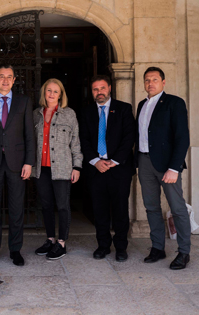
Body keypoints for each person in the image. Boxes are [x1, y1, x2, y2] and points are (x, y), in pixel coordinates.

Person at [136, 67, 191, 270]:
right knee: (151, 207)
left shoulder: (174, 103)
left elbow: (182, 137)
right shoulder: (142, 105)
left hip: (167, 166)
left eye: (155, 79)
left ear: (163, 82)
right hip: (144, 163)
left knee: (177, 208)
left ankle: (184, 252)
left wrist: (174, 168)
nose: (151, 83)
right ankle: (158, 248)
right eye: (147, 80)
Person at [0, 65, 35, 267]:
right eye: (1, 77)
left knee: (16, 208)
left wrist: (29, 162)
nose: (5, 80)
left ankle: (15, 250)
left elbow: (29, 134)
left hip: (17, 163)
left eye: (9, 77)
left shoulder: (24, 101)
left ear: (14, 80)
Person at [79, 75, 135, 262]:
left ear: (109, 88)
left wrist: (115, 161)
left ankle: (121, 247)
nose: (99, 92)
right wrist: (95, 161)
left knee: (120, 208)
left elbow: (129, 137)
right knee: (99, 209)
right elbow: (83, 140)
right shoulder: (86, 112)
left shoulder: (124, 108)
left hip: (119, 168)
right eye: (95, 89)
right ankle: (103, 245)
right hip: (96, 169)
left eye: (102, 88)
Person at [31, 78, 82, 260]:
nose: (51, 94)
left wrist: (77, 166)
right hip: (41, 169)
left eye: (55, 91)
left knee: (62, 205)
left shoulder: (69, 114)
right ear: (44, 92)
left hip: (62, 168)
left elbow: (75, 142)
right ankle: (50, 239)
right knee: (46, 205)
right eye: (49, 90)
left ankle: (61, 242)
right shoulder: (36, 114)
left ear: (61, 95)